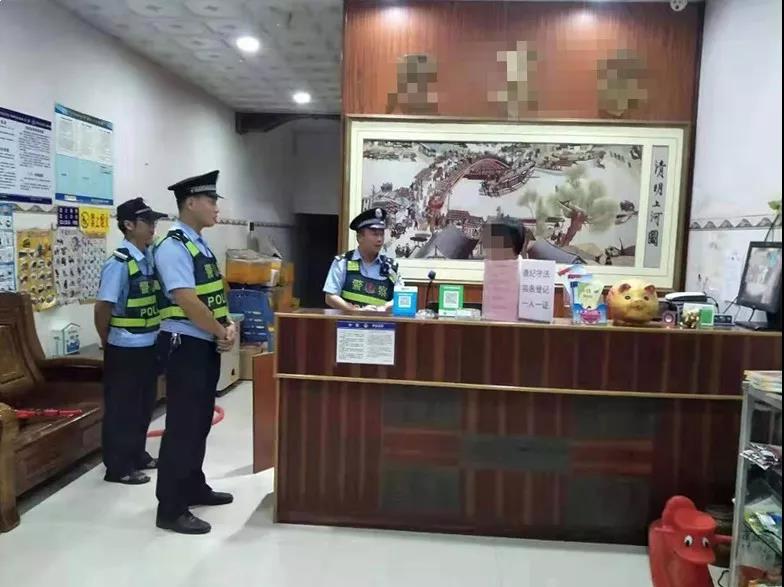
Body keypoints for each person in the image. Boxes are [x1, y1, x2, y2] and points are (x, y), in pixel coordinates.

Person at [153, 170, 237, 535]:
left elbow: (212, 294)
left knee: (200, 422)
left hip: (203, 343)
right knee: (183, 427)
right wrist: (219, 330)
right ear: (190, 202)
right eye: (211, 200)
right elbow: (186, 299)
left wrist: (228, 325)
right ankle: (171, 508)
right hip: (184, 345)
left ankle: (192, 486)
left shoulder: (198, 244)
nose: (217, 207)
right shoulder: (173, 245)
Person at [94, 197, 167, 485]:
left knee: (144, 405)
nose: (152, 227)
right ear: (128, 225)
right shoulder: (119, 263)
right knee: (122, 408)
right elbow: (103, 307)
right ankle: (117, 466)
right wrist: (107, 340)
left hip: (148, 345)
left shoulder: (147, 259)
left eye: (153, 221)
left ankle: (137, 455)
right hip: (124, 347)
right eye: (147, 222)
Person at [323, 208, 403, 312]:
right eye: (375, 234)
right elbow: (330, 297)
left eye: (382, 234)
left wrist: (385, 307)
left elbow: (402, 296)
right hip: (349, 321)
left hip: (381, 321)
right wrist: (356, 311)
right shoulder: (343, 262)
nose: (379, 239)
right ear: (360, 237)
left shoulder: (390, 267)